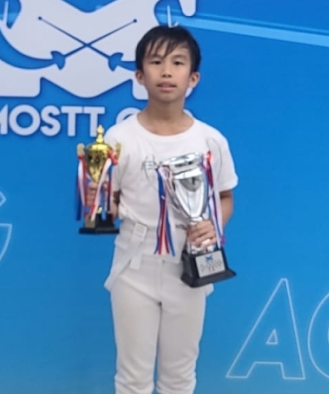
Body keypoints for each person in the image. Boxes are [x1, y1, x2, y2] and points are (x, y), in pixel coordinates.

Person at [97, 25, 238, 394]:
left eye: (177, 63)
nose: (166, 72)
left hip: (191, 265)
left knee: (179, 377)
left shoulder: (210, 140)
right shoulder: (119, 139)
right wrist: (99, 202)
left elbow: (225, 197)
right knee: (132, 378)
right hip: (135, 267)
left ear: (193, 78)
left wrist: (214, 226)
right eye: (156, 62)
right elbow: (107, 204)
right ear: (139, 75)